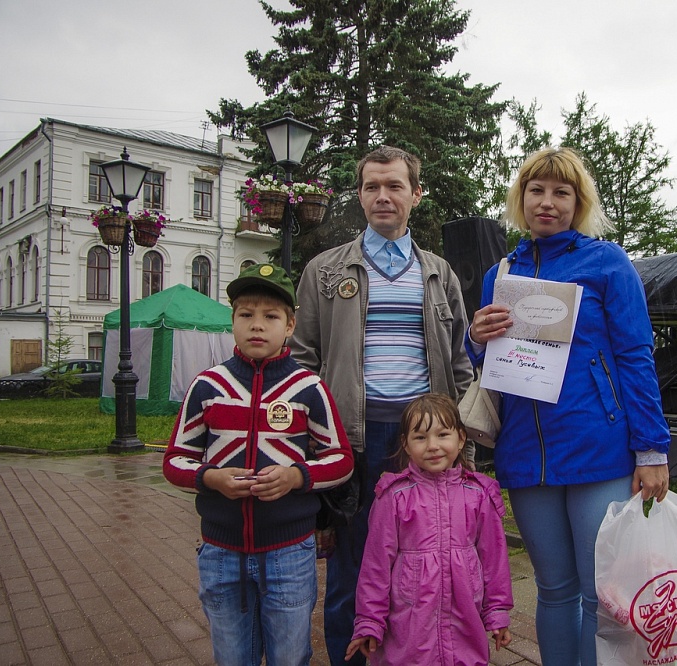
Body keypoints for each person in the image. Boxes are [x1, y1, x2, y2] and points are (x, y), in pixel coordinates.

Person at [467, 147, 671, 665]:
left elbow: (635, 355)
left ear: (579, 202)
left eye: (562, 192)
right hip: (525, 453)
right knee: (553, 588)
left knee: (594, 591)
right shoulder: (501, 273)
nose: (548, 202)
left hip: (596, 448)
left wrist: (650, 448)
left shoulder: (607, 262)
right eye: (537, 190)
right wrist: (475, 337)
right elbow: (494, 361)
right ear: (521, 197)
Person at [291, 145, 473, 666]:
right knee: (353, 565)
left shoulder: (438, 273)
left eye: (394, 186)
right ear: (360, 194)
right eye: (372, 186)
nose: (382, 196)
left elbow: (459, 364)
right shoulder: (325, 272)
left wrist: (463, 445)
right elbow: (303, 362)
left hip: (425, 443)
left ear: (416, 194)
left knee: (425, 565)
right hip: (354, 439)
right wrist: (313, 440)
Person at [163, 262, 354, 666]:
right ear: (231, 321)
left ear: (290, 326)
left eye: (270, 316)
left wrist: (295, 476)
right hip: (221, 550)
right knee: (232, 655)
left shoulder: (308, 387)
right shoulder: (208, 386)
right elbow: (176, 460)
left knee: (290, 655)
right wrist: (210, 478)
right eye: (245, 315)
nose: (257, 325)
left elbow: (340, 460)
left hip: (289, 551)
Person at [345, 393, 512, 665]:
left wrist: (497, 612)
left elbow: (494, 559)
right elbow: (376, 564)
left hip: (465, 619)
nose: (433, 446)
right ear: (406, 445)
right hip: (409, 623)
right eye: (420, 437)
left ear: (460, 438)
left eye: (442, 435)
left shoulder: (479, 494)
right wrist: (369, 621)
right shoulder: (393, 496)